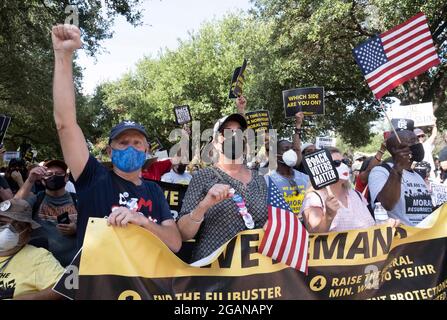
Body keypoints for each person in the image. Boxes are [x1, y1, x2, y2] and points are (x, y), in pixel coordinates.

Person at [51, 24, 181, 252]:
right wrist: (63, 55)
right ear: (110, 151)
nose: (130, 147)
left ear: (146, 150)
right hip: (102, 285)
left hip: (144, 284)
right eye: (123, 142)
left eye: (137, 143)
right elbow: (65, 124)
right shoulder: (93, 178)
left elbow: (175, 242)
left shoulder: (154, 191)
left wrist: (141, 220)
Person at [177, 113, 268, 262]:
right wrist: (204, 205)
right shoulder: (203, 176)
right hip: (215, 273)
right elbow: (183, 233)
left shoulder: (259, 179)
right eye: (226, 132)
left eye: (239, 132)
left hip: (253, 271)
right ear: (215, 142)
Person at [301, 148, 398, 233]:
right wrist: (328, 216)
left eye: (345, 161)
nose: (343, 166)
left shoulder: (357, 195)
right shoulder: (314, 198)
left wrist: (384, 226)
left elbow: (370, 227)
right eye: (337, 163)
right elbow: (314, 234)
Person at [14, 160, 78, 266]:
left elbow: (92, 228)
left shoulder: (78, 200)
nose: (54, 177)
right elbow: (14, 207)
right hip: (41, 267)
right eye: (49, 174)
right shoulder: (36, 199)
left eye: (58, 174)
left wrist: (76, 229)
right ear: (43, 180)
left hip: (73, 267)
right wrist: (30, 180)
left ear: (66, 178)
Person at [0, 199, 63, 300]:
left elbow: (65, 287)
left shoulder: (39, 257)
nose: (7, 230)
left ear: (27, 232)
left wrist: (30, 298)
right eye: (1, 224)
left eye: (17, 225)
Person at [368, 130, 433, 226]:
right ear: (395, 149)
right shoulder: (381, 171)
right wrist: (397, 168)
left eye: (416, 140)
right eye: (412, 141)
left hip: (425, 237)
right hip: (402, 238)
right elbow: (386, 204)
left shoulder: (417, 175)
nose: (417, 144)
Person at [266, 139, 310, 217]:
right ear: (275, 155)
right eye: (286, 149)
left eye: (292, 149)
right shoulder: (267, 180)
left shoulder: (306, 178)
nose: (291, 152)